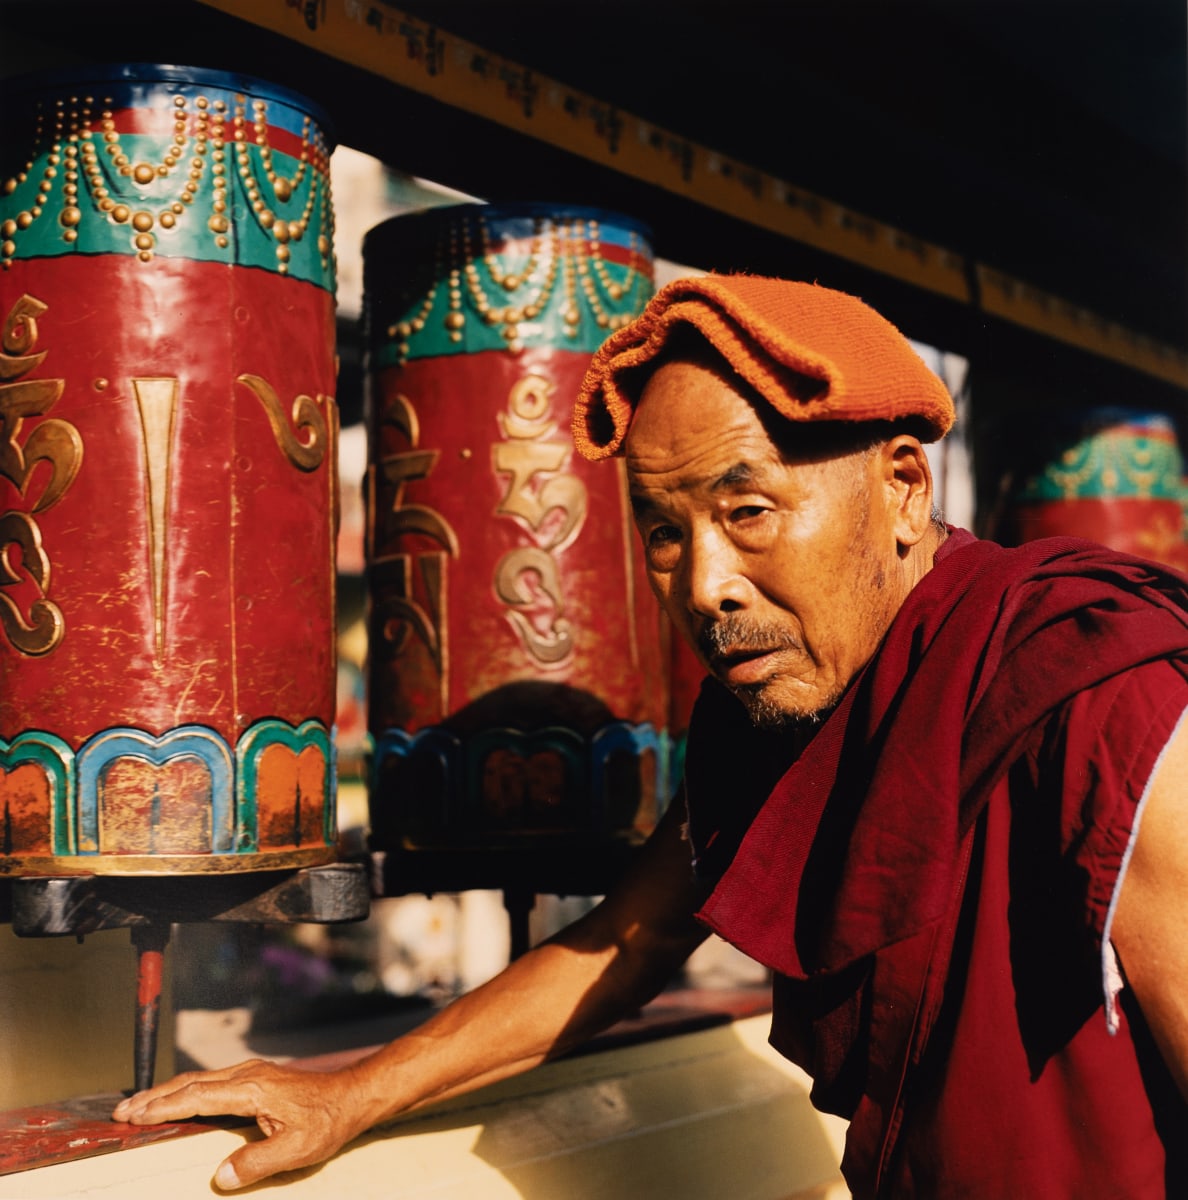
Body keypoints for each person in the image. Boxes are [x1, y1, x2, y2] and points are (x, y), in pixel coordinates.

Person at [113, 275, 1188, 1196]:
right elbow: (622, 948)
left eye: (749, 511)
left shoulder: (1102, 700)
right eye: (665, 532)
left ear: (903, 486)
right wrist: (348, 1096)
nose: (704, 586)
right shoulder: (778, 713)